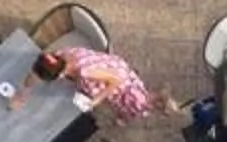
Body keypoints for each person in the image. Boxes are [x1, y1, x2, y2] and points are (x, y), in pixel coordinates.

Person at [9, 45, 178, 125]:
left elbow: (116, 79)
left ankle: (156, 100)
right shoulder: (58, 56)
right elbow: (34, 75)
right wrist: (22, 94)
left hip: (119, 81)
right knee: (127, 104)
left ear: (61, 74)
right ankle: (154, 99)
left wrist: (97, 99)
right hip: (102, 72)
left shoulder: (86, 71)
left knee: (136, 104)